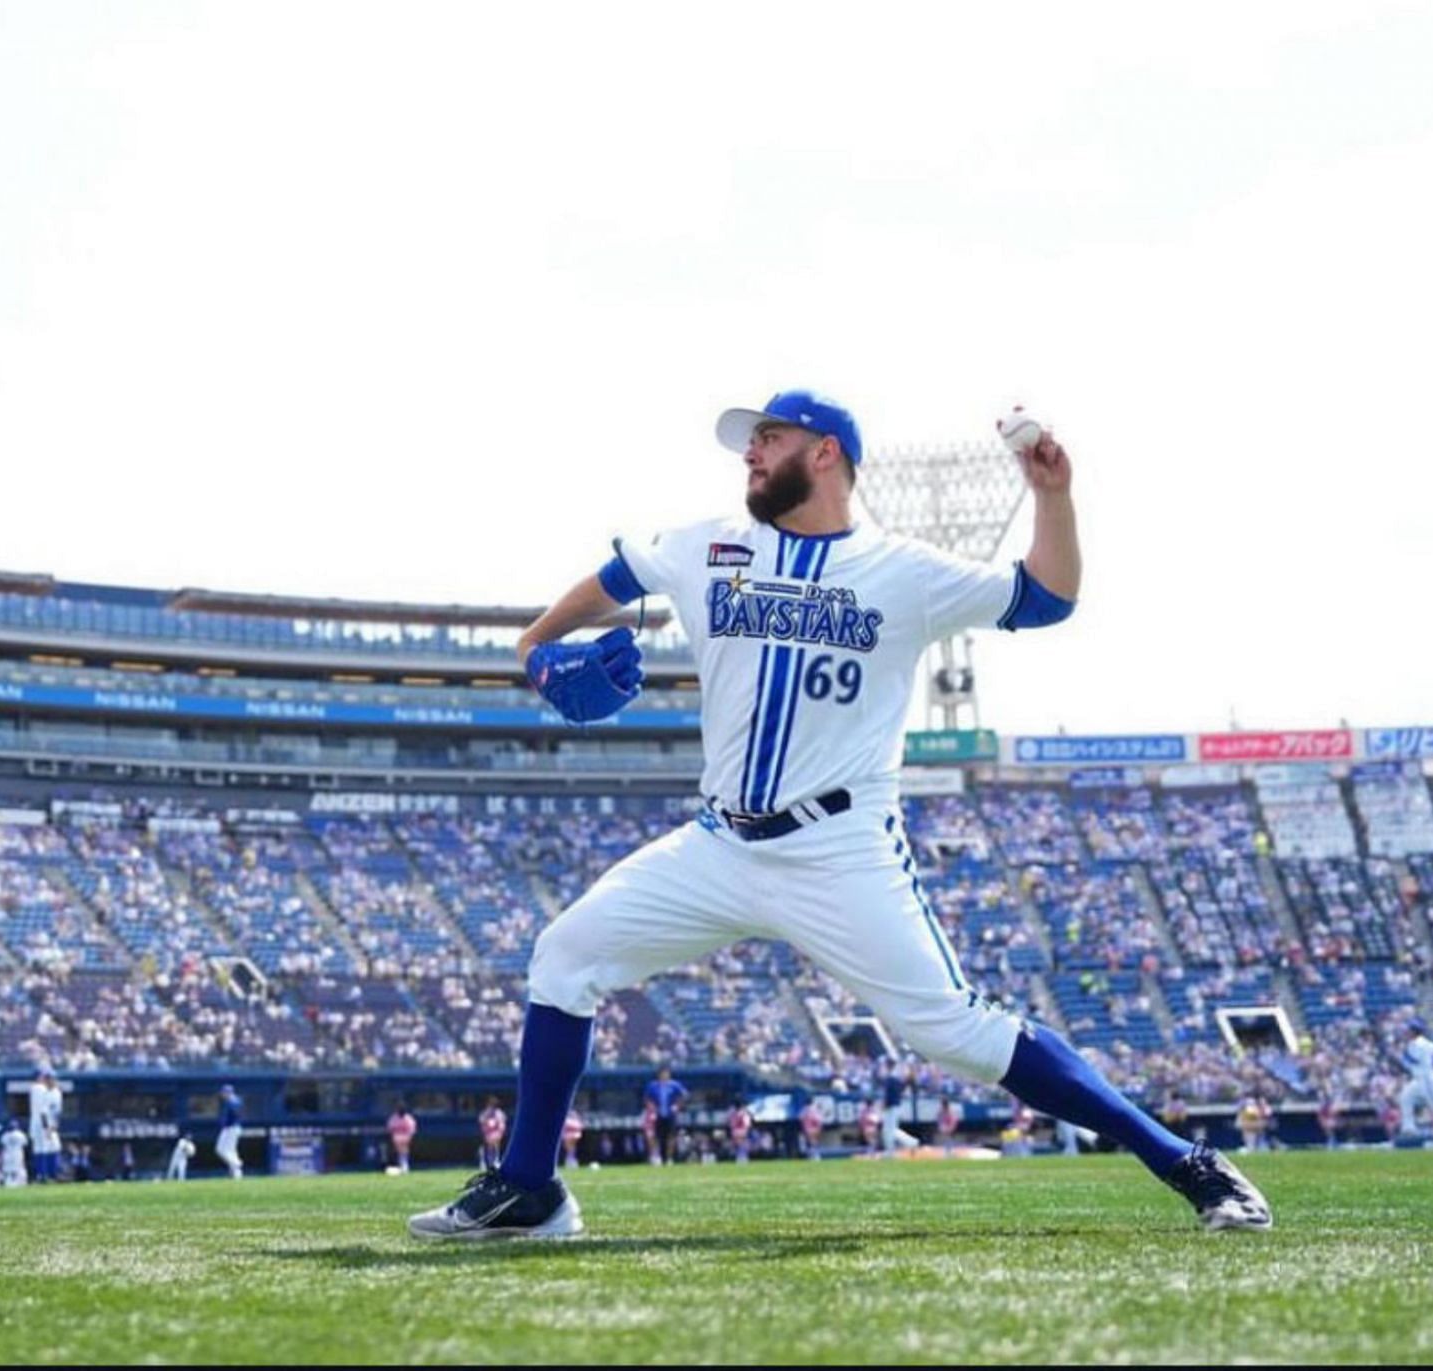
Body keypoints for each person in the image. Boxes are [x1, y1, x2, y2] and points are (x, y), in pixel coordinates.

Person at [409, 390, 1268, 1240]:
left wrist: (1052, 498)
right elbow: (616, 580)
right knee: (563, 958)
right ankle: (531, 1188)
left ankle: (1190, 1164)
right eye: (750, 443)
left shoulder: (903, 572)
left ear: (826, 454)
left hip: (839, 848)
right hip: (719, 843)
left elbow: (1047, 596)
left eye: (768, 438)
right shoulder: (709, 544)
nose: (750, 454)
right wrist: (533, 649)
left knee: (960, 1033)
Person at [1398, 1018, 1433, 1137]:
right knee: (1406, 1096)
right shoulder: (1422, 1043)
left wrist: (1398, 1058)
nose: (1406, 1032)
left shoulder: (1419, 1043)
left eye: (1409, 1030)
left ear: (1414, 1031)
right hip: (1419, 1080)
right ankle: (1409, 1128)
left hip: (1428, 1080)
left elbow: (1411, 1060)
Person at [644, 1067, 689, 1166]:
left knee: (671, 1136)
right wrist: (652, 1108)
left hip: (670, 1115)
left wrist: (677, 1106)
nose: (665, 1076)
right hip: (657, 1115)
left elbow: (684, 1095)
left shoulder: (674, 1085)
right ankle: (656, 1157)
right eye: (663, 1074)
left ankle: (669, 1158)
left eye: (666, 1074)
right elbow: (647, 1099)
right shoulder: (653, 1086)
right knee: (656, 1137)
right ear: (659, 1075)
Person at [28, 1068, 62, 1184]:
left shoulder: (55, 1092)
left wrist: (54, 1125)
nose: (49, 1080)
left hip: (48, 1123)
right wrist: (47, 1127)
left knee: (54, 1147)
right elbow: (43, 1112)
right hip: (42, 1124)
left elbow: (57, 1111)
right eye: (47, 1078)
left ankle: (51, 1175)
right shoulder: (40, 1089)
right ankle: (43, 1176)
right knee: (43, 1148)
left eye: (51, 1078)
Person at [215, 1084, 244, 1179]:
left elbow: (227, 1117)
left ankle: (236, 1163)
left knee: (220, 1150)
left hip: (230, 1128)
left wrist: (223, 1125)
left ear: (228, 1092)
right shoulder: (238, 1100)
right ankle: (237, 1174)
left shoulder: (231, 1101)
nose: (222, 1094)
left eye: (223, 1092)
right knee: (231, 1151)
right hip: (235, 1128)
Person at [880, 1062, 908, 1156]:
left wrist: (883, 1105)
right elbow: (902, 1090)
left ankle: (890, 1151)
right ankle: (892, 1150)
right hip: (896, 1106)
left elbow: (887, 1095)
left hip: (891, 1107)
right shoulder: (897, 1078)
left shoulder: (890, 1078)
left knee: (889, 1130)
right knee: (892, 1130)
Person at [477, 1096, 508, 1171]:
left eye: (493, 1104)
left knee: (496, 1147)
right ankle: (486, 1162)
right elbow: (482, 1121)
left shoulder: (499, 1113)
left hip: (496, 1134)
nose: (491, 1106)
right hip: (488, 1134)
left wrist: (500, 1132)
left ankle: (496, 1161)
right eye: (490, 1104)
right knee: (488, 1149)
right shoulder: (485, 1113)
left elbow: (502, 1125)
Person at [387, 1103, 418, 1174]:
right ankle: (402, 1165)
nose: (401, 1112)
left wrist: (407, 1138)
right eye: (400, 1110)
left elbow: (412, 1130)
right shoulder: (394, 1118)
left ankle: (404, 1165)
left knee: (403, 1150)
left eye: (402, 1110)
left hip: (405, 1136)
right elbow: (390, 1129)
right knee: (400, 1149)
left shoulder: (408, 1118)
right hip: (396, 1136)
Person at [0, 1118, 29, 1187]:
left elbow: (2, 1147)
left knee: (8, 1169)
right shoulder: (21, 1134)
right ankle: (16, 1182)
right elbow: (25, 1145)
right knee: (17, 1169)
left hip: (8, 1154)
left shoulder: (5, 1135)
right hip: (17, 1153)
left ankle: (7, 1182)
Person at [727, 1100, 753, 1164]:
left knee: (738, 1146)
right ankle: (743, 1158)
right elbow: (747, 1124)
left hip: (735, 1131)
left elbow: (730, 1124)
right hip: (742, 1131)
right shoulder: (744, 1114)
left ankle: (739, 1158)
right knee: (743, 1145)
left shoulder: (732, 1114)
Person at [799, 1095, 824, 1160]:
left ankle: (813, 1156)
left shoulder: (804, 1109)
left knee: (810, 1143)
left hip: (808, 1128)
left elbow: (801, 1118)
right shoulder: (814, 1109)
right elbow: (819, 1119)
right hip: (815, 1128)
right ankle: (816, 1156)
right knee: (814, 1142)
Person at [639, 1096, 660, 1165]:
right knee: (650, 1142)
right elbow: (642, 1123)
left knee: (657, 1143)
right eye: (648, 1104)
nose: (650, 1105)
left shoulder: (657, 1111)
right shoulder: (645, 1112)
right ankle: (653, 1157)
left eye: (651, 1104)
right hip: (649, 1130)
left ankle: (658, 1156)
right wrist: (646, 1127)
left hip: (657, 1130)